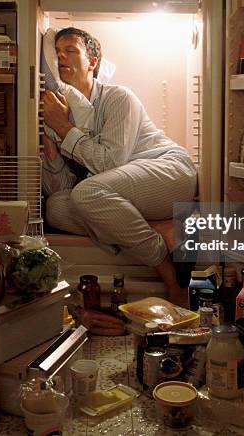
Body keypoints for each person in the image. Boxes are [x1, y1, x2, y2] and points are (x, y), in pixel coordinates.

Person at [41, 27, 197, 307]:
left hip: (168, 173)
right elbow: (63, 190)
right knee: (56, 207)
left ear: (92, 62)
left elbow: (110, 163)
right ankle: (157, 227)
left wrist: (64, 129)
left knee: (87, 194)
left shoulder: (118, 98)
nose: (61, 56)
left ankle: (170, 275)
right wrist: (50, 148)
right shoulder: (62, 109)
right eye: (57, 52)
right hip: (119, 196)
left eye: (71, 50)